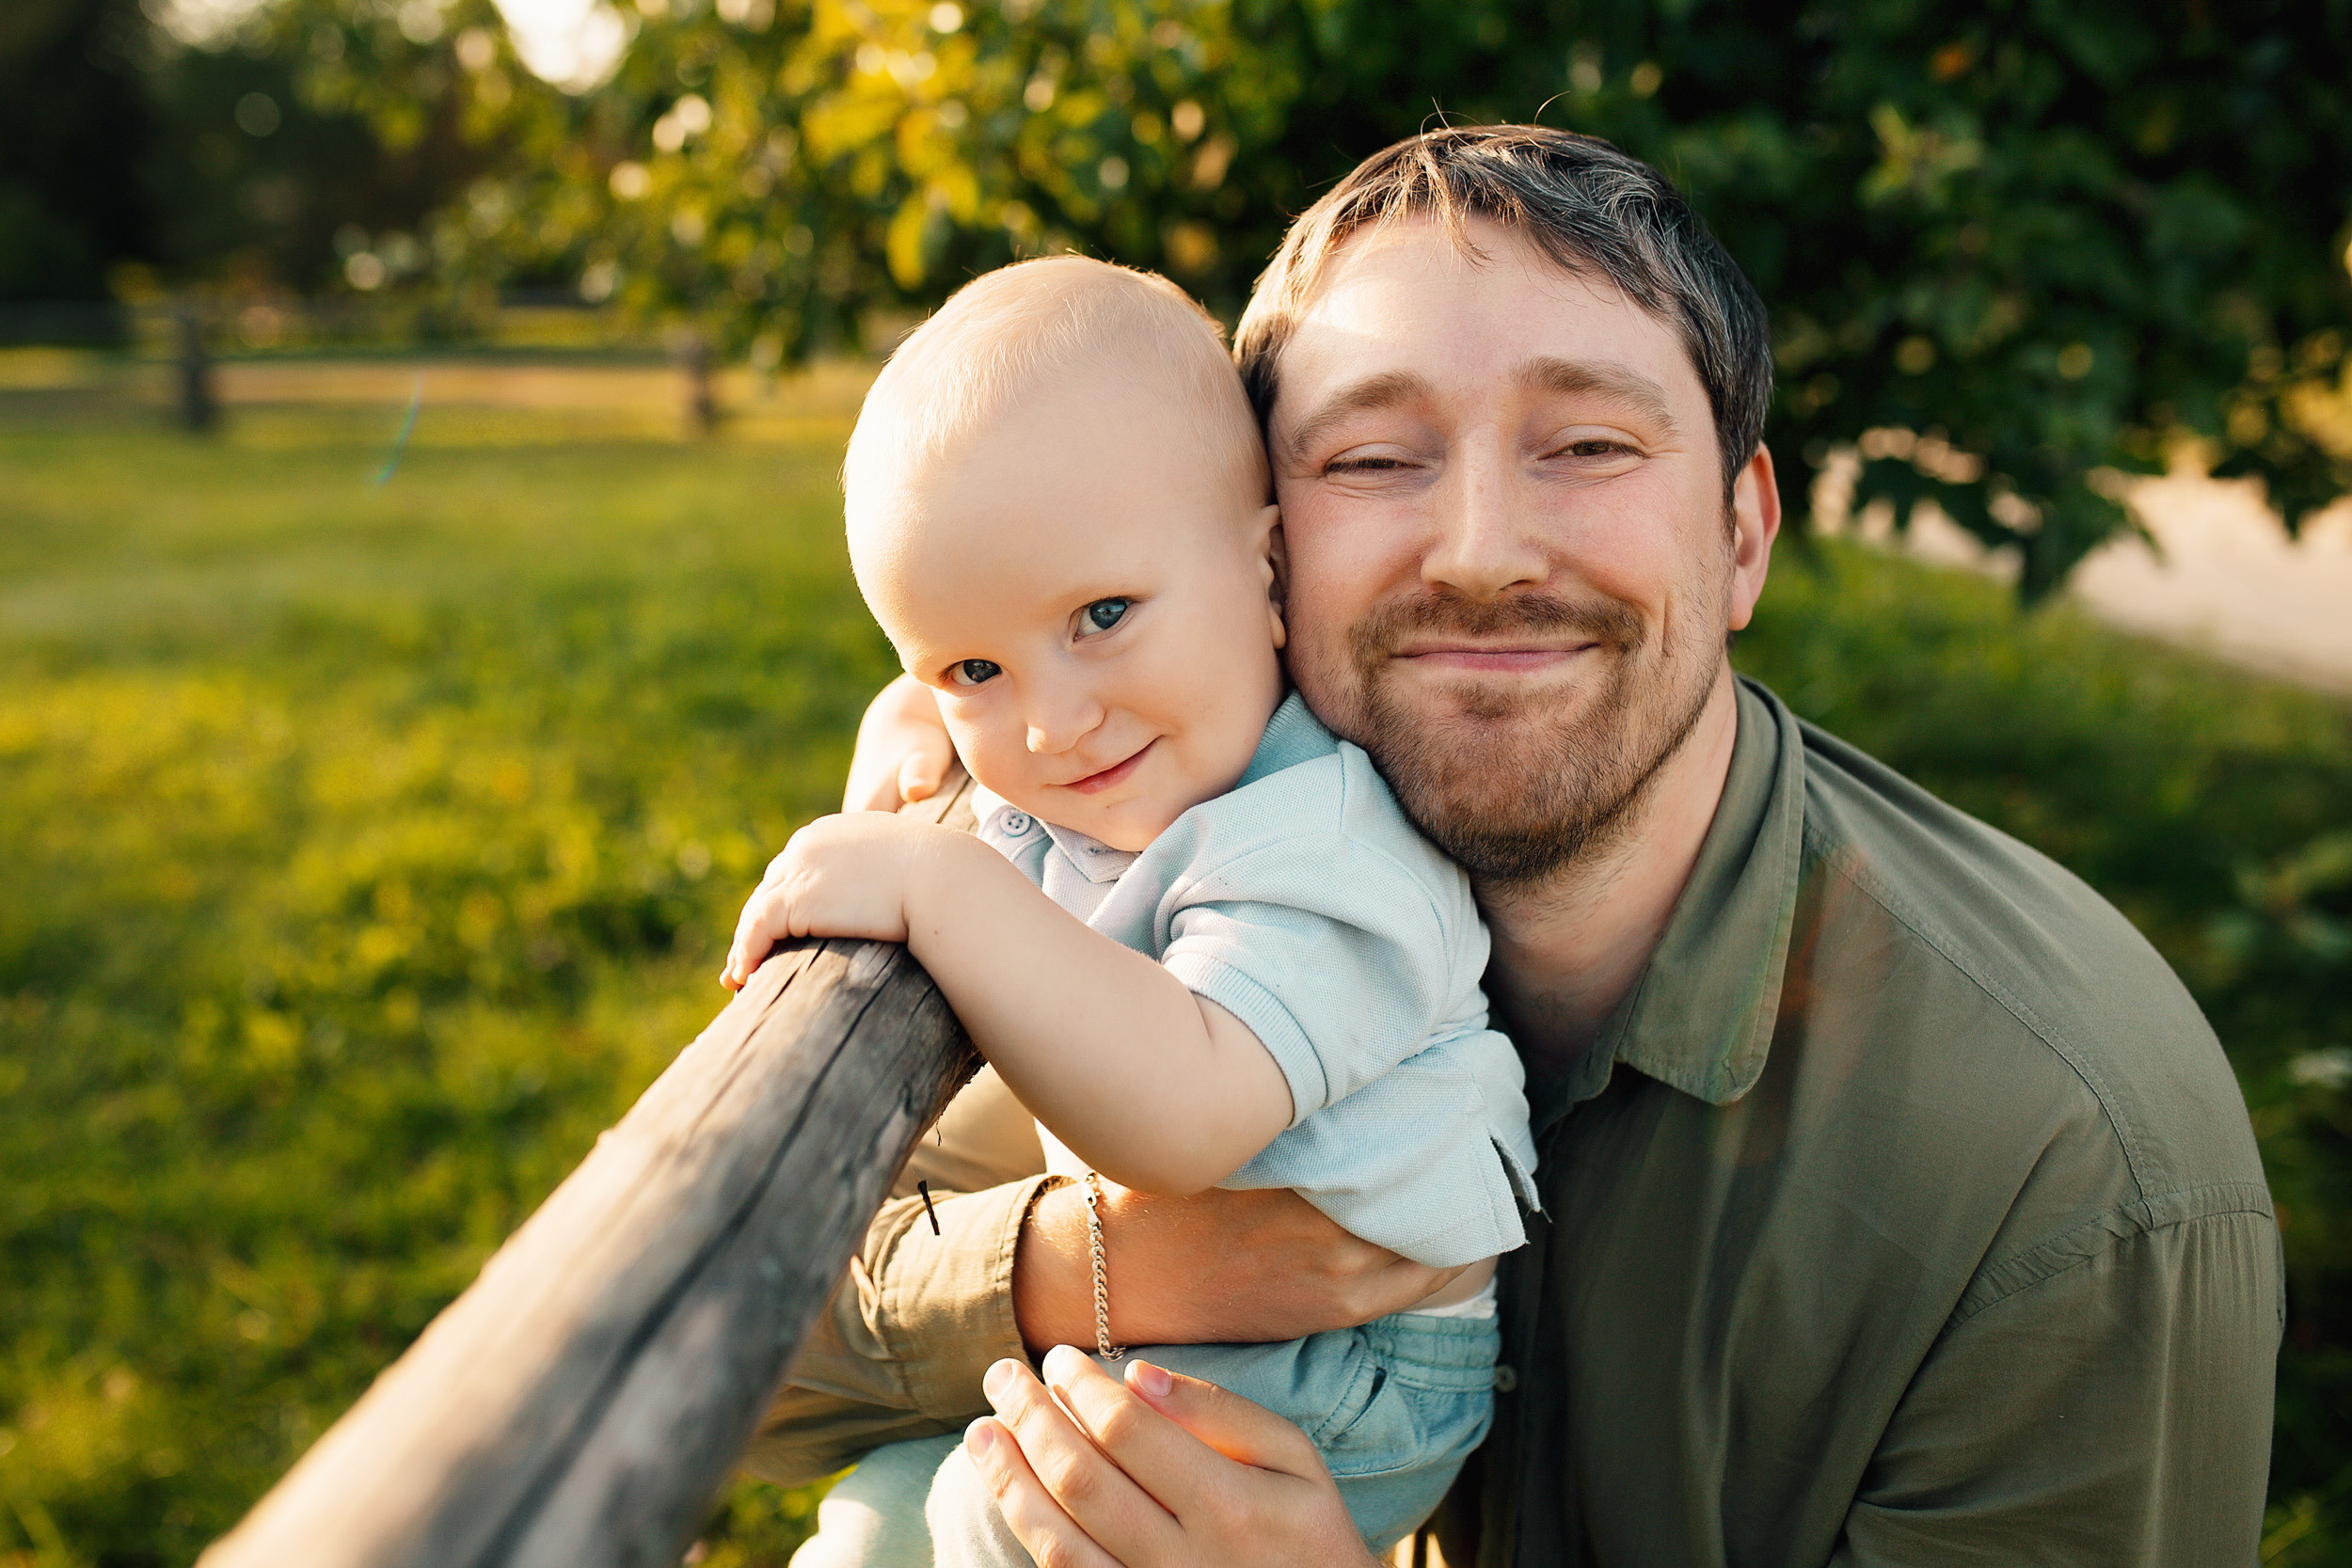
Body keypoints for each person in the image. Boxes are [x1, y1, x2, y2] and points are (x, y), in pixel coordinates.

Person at [749, 127, 2285, 1565]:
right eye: (1373, 459)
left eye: (1590, 445)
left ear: (1742, 536)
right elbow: (734, 1351)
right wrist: (1103, 1266)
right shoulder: (1135, 846)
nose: (1481, 552)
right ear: (1266, 549)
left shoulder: (2066, 1176)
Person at [722, 255, 1539, 1563]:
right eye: (977, 666)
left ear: (1265, 569)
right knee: (881, 1516)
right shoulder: (1130, 763)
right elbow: (993, 669)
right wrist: (921, 714)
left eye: (1102, 616)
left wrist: (939, 881)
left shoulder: (1323, 843)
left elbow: (1183, 1120)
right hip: (1200, 1334)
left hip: (1348, 1378)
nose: (1053, 722)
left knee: (998, 1523)